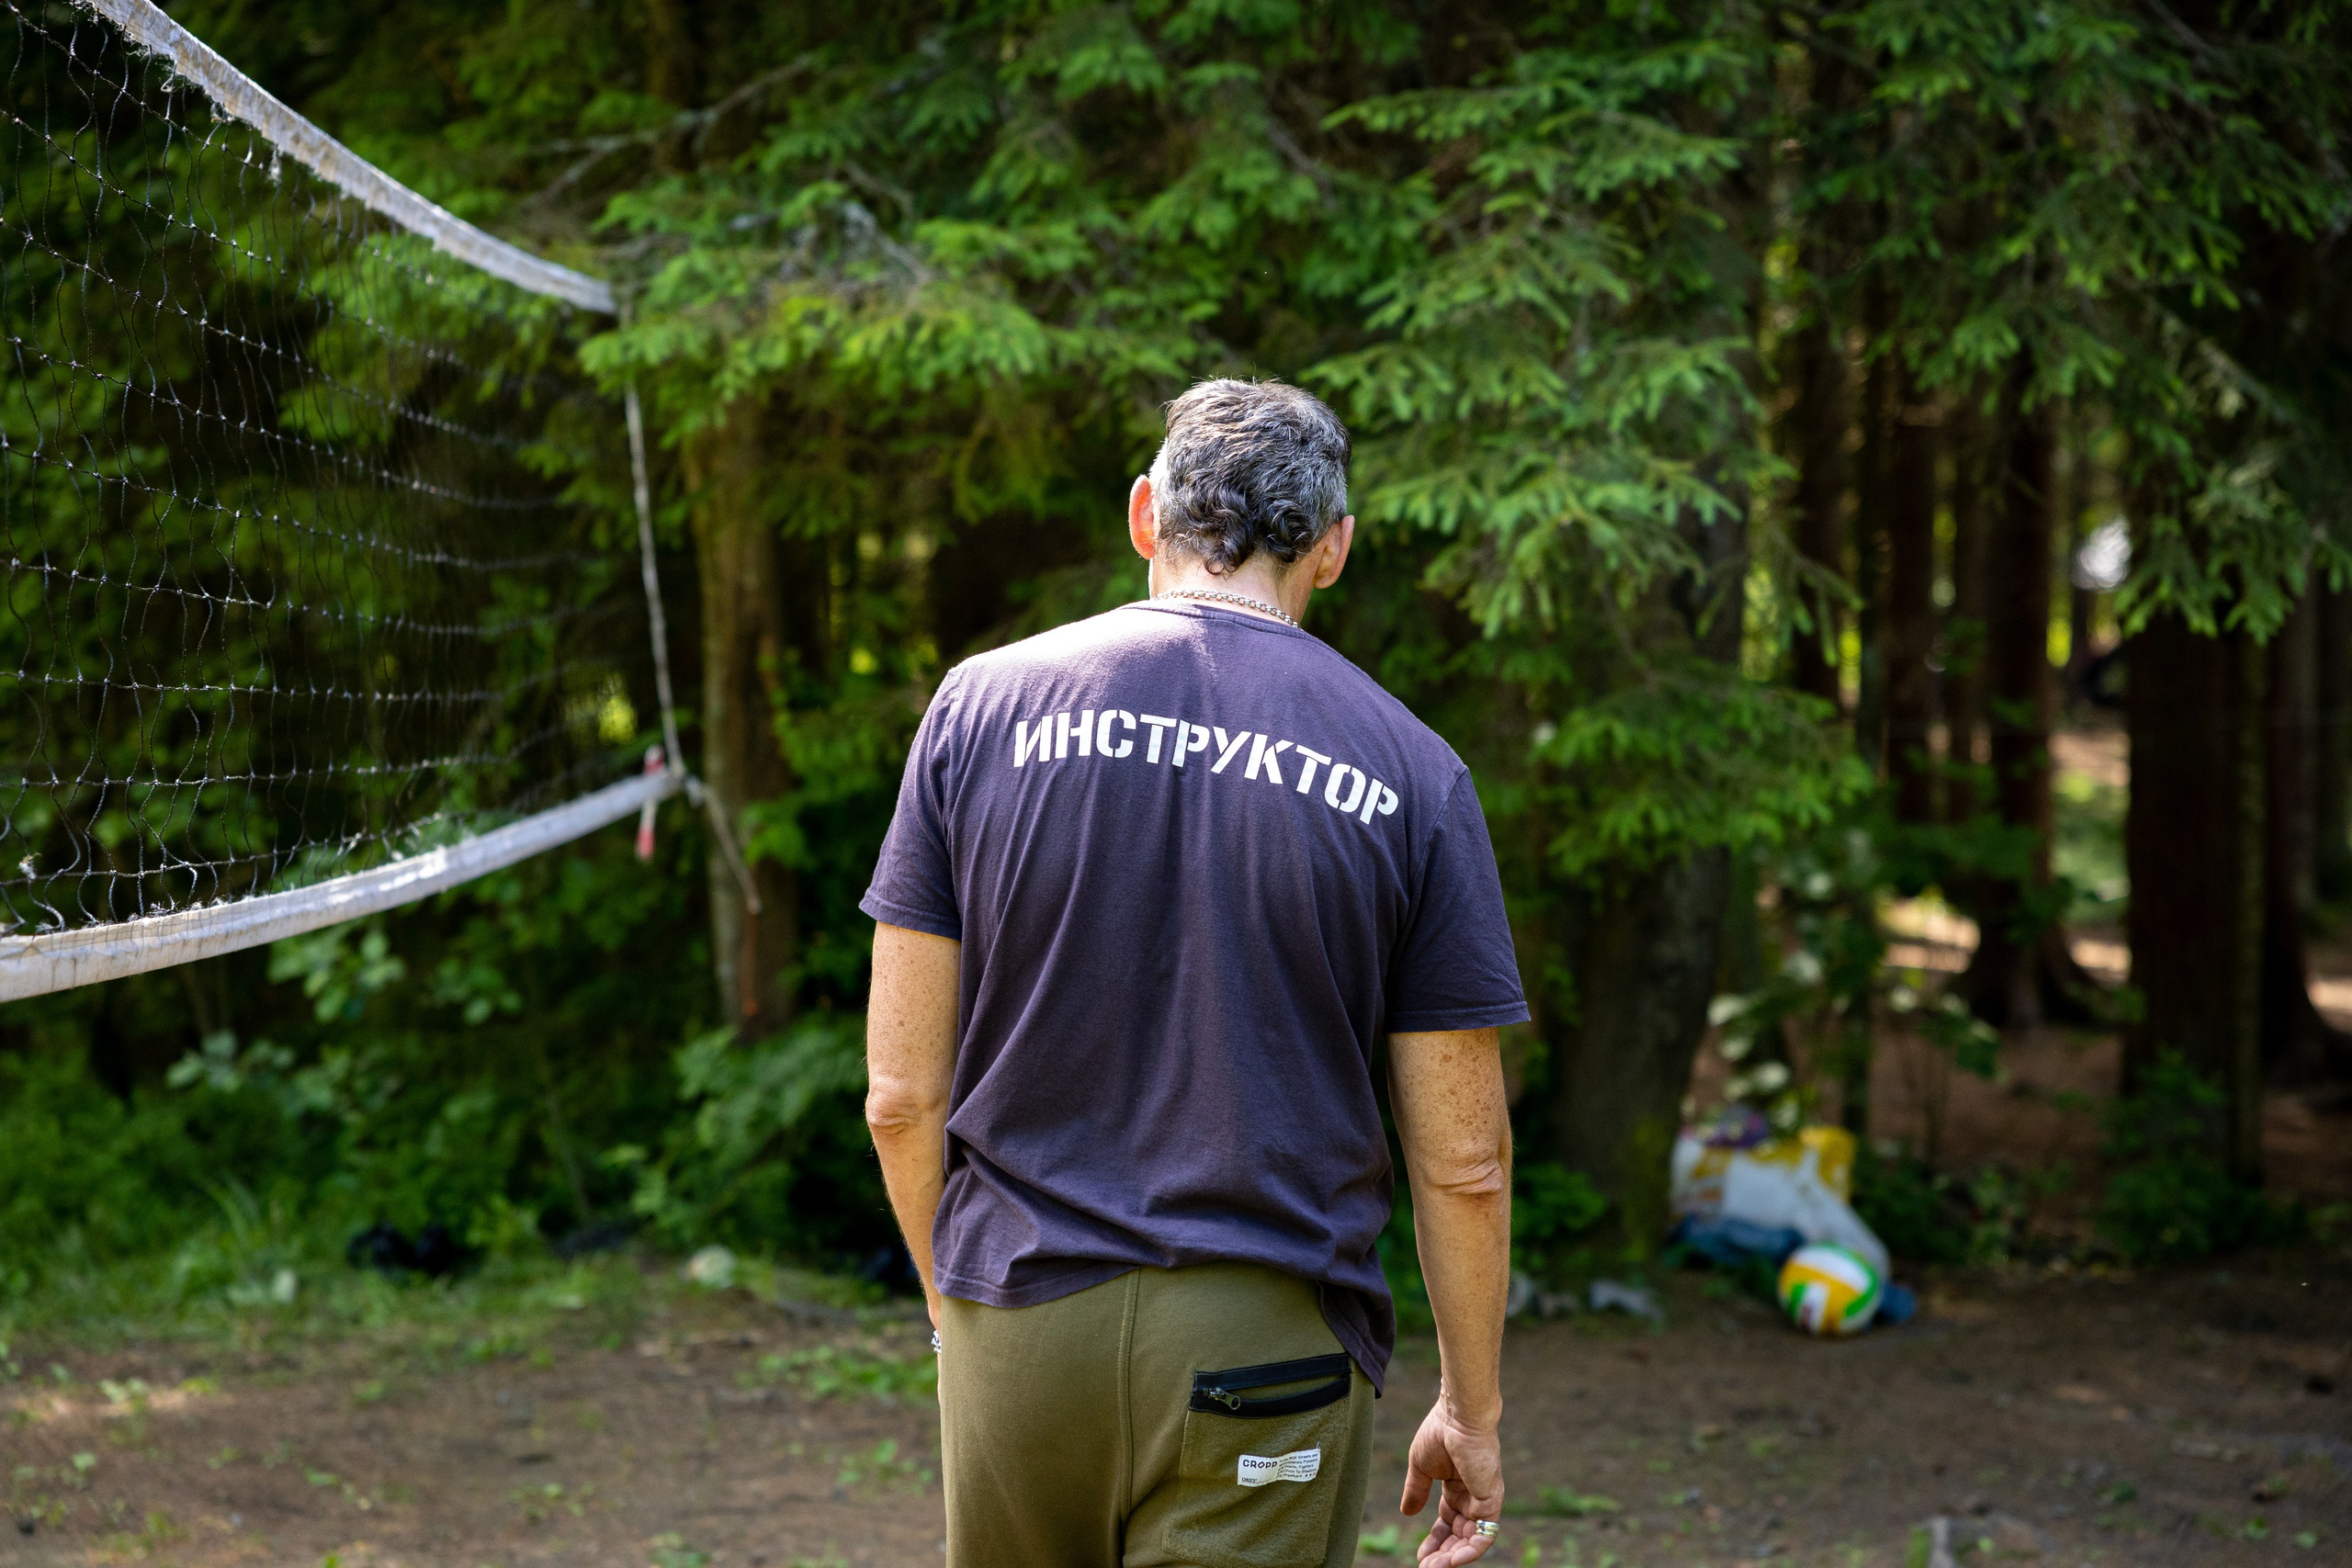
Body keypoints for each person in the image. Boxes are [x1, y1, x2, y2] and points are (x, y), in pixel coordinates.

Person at [861, 378, 1524, 1568]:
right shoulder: (1415, 772)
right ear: (1332, 550)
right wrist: (1470, 1410)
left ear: (1143, 517)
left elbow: (900, 1096)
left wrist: (950, 1308)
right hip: (1266, 1342)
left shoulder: (980, 707)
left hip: (1018, 1315)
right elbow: (1464, 1159)